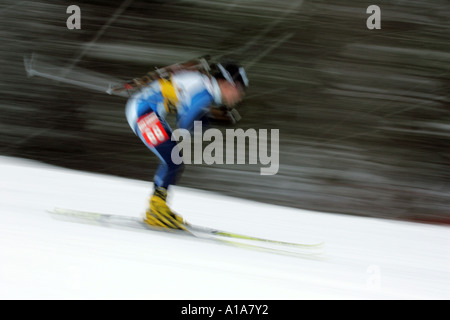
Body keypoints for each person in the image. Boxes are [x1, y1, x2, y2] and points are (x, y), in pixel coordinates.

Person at [125, 61, 248, 230]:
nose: (239, 97)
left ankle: (157, 206)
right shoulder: (204, 91)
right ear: (228, 84)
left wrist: (210, 116)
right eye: (239, 91)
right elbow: (185, 123)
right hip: (143, 112)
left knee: (173, 160)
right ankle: (156, 209)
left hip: (144, 109)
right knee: (173, 160)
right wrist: (213, 118)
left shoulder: (203, 84)